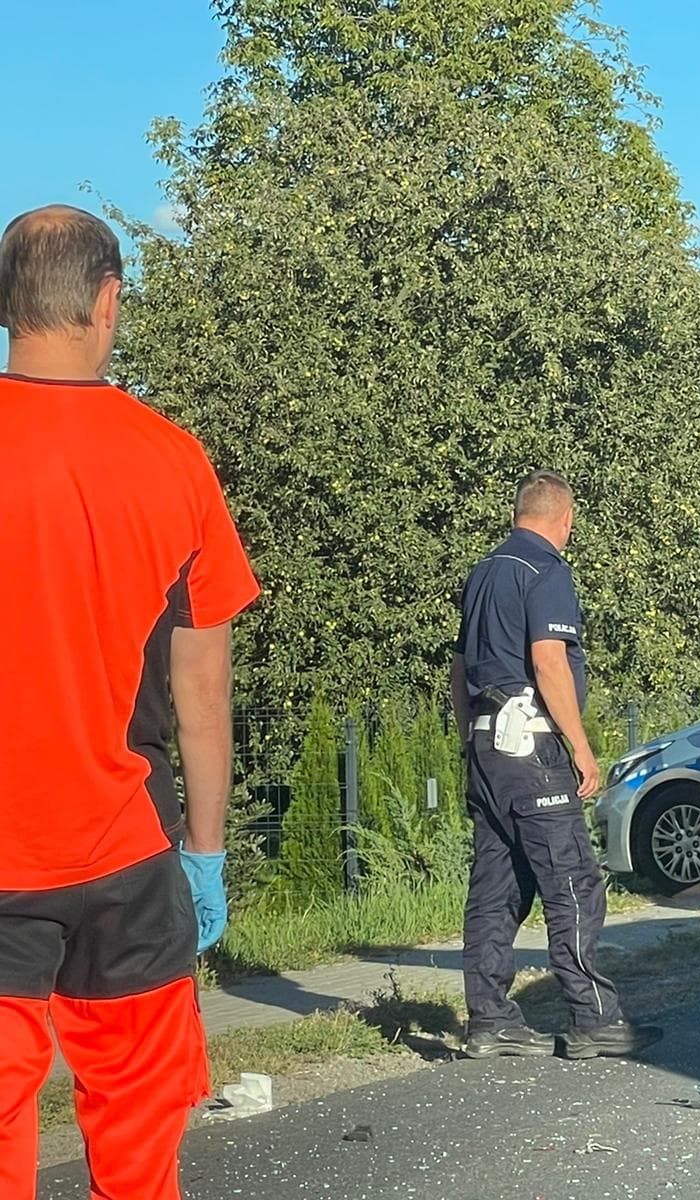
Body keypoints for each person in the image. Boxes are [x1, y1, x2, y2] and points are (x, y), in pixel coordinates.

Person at [0, 206, 259, 1199]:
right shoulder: (172, 460)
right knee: (140, 1146)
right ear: (109, 302)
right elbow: (203, 689)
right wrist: (204, 853)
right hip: (130, 850)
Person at [451, 470, 661, 1061]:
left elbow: (459, 670)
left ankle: (489, 1019)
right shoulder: (545, 570)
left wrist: (472, 736)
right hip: (533, 747)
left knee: (497, 884)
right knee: (572, 881)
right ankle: (595, 1018)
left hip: (488, 746)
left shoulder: (484, 572)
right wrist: (580, 745)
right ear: (563, 519)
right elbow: (549, 663)